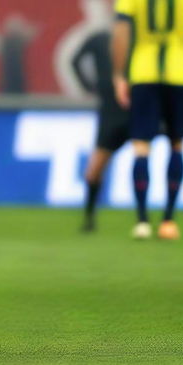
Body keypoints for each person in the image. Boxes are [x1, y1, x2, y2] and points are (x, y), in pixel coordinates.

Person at [112, 0, 183, 240]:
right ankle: (169, 220)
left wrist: (120, 74)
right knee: (176, 143)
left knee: (141, 146)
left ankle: (142, 221)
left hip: (143, 72)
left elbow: (121, 32)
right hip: (180, 71)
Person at [72, 30, 129, 231]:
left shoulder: (137, 39)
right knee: (95, 169)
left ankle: (152, 220)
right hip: (120, 110)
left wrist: (90, 86)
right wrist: (89, 86)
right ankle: (89, 218)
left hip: (130, 108)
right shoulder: (101, 39)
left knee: (95, 170)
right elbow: (75, 60)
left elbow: (75, 60)